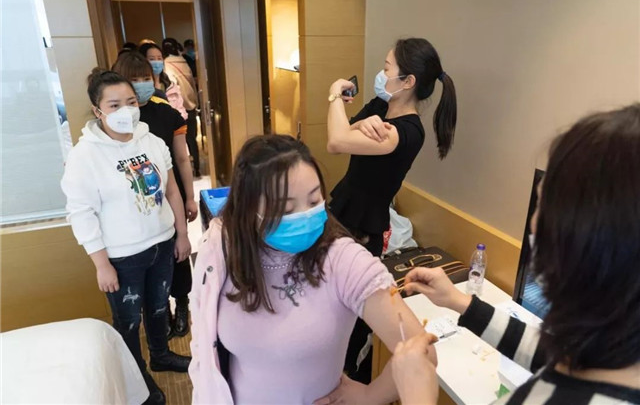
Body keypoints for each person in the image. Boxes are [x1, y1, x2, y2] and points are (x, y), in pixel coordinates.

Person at [393, 104, 640, 404]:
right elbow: (548, 354)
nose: (534, 222)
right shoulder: (611, 353)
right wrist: (458, 301)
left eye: (542, 205)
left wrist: (416, 394)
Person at [188, 135, 437, 404]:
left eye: (314, 200)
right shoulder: (225, 248)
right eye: (286, 208)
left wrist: (369, 395)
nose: (304, 215)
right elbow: (205, 337)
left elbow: (422, 353)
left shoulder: (344, 261)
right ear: (248, 210)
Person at [327, 37, 457, 383]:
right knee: (327, 307)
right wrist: (359, 123)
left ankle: (346, 382)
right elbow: (348, 131)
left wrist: (334, 95)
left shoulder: (407, 132)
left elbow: (336, 141)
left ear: (408, 81)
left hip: (361, 231)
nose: (381, 74)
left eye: (387, 68)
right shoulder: (380, 106)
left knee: (346, 319)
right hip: (341, 216)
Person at [60, 69, 193, 404]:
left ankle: (160, 355)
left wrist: (181, 234)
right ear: (98, 111)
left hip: (162, 244)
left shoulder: (151, 141)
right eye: (115, 104)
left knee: (159, 308)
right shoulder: (85, 156)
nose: (126, 110)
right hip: (122, 257)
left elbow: (172, 191)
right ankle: (137, 377)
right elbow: (81, 213)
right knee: (129, 322)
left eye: (131, 102)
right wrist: (101, 264)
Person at [112, 51, 198, 338]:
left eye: (145, 78)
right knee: (152, 259)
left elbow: (182, 158)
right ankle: (162, 313)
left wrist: (190, 196)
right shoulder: (114, 120)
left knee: (178, 252)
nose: (141, 85)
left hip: (171, 194)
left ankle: (182, 304)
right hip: (139, 201)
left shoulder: (167, 112)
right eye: (133, 79)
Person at [162, 37, 200, 177]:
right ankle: (197, 168)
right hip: (191, 106)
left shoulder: (167, 65)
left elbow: (172, 91)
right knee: (192, 139)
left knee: (179, 145)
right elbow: (193, 86)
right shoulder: (185, 62)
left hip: (177, 110)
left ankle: (184, 173)